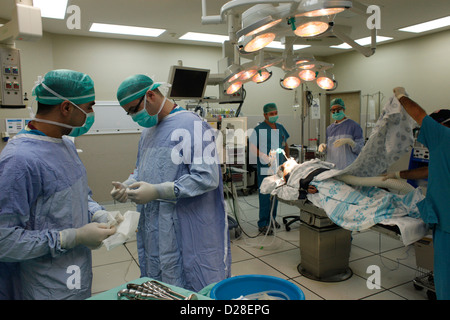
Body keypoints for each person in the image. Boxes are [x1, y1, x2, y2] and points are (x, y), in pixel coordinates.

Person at [0, 69, 116, 300]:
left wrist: (99, 214)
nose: (91, 113)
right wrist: (70, 237)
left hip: (74, 273)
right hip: (41, 284)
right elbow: (4, 240)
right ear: (66, 108)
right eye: (89, 106)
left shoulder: (65, 145)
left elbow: (78, 195)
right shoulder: (19, 160)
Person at [112, 74, 231, 292]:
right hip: (156, 226)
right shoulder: (149, 131)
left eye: (132, 109)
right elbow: (143, 167)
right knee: (162, 284)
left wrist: (159, 191)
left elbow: (207, 177)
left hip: (188, 226)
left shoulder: (193, 125)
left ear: (150, 95)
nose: (132, 116)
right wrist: (128, 185)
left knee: (193, 285)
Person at [387, 90, 450, 300]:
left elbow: (419, 114)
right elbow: (430, 170)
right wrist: (397, 174)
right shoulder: (445, 150)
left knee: (446, 281)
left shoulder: (443, 136)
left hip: (448, 227)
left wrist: (401, 95)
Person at [249, 103, 290, 234]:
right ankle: (263, 223)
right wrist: (262, 155)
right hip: (265, 167)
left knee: (276, 194)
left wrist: (287, 161)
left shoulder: (281, 128)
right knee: (266, 195)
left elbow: (285, 145)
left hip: (278, 167)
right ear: (265, 115)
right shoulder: (259, 129)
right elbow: (251, 146)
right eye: (271, 114)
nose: (274, 115)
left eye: (275, 113)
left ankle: (272, 219)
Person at [318, 98, 364, 170]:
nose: (336, 112)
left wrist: (351, 142)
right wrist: (324, 147)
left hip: (348, 167)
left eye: (338, 109)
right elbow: (332, 148)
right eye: (333, 110)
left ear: (344, 109)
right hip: (332, 167)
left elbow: (361, 150)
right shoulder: (329, 129)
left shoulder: (354, 126)